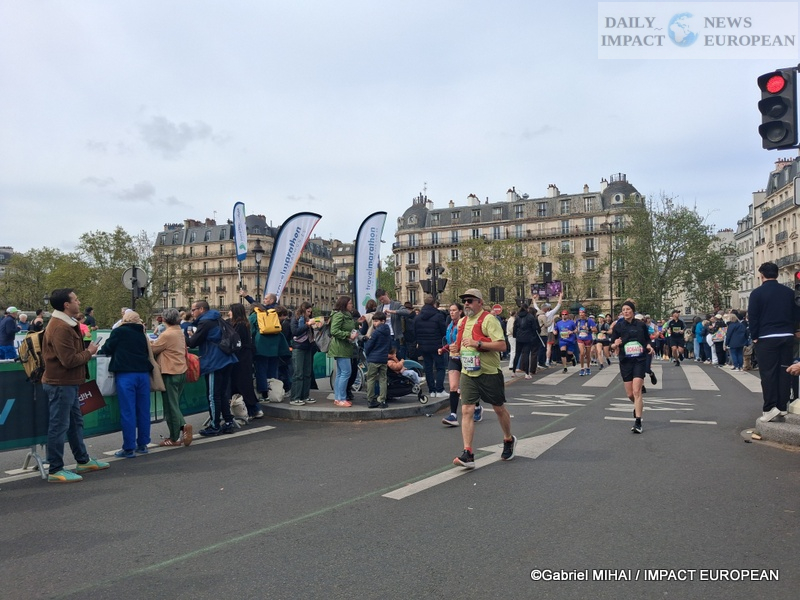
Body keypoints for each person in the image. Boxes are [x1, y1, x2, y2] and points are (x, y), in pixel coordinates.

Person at [41, 288, 109, 483]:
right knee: (59, 425)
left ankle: (83, 460)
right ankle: (55, 469)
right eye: (75, 300)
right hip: (61, 383)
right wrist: (90, 352)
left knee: (74, 422)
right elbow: (69, 360)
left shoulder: (65, 324)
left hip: (67, 382)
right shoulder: (61, 327)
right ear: (66, 305)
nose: (79, 302)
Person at [452, 289, 516, 469]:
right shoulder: (462, 321)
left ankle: (508, 439)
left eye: (470, 300)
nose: (466, 303)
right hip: (468, 372)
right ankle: (468, 453)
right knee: (467, 410)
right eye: (464, 301)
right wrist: (454, 349)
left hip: (489, 372)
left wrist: (477, 343)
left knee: (498, 408)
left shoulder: (489, 319)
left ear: (480, 302)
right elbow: (461, 345)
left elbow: (502, 345)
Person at [749, 262, 800, 422]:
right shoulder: (789, 292)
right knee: (785, 371)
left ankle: (770, 407)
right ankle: (782, 405)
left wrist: (755, 336)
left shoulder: (757, 293)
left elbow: (753, 317)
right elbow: (796, 313)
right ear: (777, 274)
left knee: (768, 373)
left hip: (766, 337)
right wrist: (794, 330)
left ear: (761, 275)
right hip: (786, 335)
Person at [99, 310, 153, 457]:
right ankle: (143, 444)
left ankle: (129, 447)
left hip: (126, 374)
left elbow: (107, 348)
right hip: (143, 374)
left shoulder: (119, 332)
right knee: (143, 410)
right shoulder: (142, 333)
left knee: (128, 411)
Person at [188, 300, 239, 435]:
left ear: (201, 309)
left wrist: (183, 337)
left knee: (213, 395)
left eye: (193, 310)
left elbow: (193, 343)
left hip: (214, 361)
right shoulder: (216, 318)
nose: (192, 312)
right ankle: (228, 422)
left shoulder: (205, 322)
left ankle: (215, 425)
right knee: (222, 393)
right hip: (227, 358)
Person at [610, 300, 655, 434]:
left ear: (633, 311)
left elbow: (647, 339)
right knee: (630, 394)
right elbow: (612, 344)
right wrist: (615, 344)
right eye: (623, 310)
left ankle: (638, 422)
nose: (626, 312)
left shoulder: (641, 325)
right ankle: (637, 405)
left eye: (628, 309)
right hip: (625, 361)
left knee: (637, 391)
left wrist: (648, 346)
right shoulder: (618, 326)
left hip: (639, 360)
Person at [150, 307, 192, 446]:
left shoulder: (167, 334)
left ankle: (176, 435)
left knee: (170, 406)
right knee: (175, 404)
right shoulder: (179, 331)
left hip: (169, 372)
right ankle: (180, 430)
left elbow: (154, 349)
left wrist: (147, 341)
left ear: (164, 319)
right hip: (181, 370)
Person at [229, 303, 263, 417]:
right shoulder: (244, 324)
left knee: (242, 384)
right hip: (244, 357)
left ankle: (253, 409)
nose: (229, 313)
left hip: (241, 358)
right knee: (244, 384)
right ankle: (253, 409)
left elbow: (236, 341)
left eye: (231, 311)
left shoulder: (240, 325)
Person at [413, 294, 447, 398]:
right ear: (434, 304)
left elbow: (415, 332)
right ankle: (440, 389)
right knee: (440, 367)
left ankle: (432, 390)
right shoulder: (438, 315)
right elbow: (443, 331)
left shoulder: (418, 317)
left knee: (428, 368)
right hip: (437, 345)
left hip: (424, 346)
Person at [328, 295, 358, 407]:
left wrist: (357, 323)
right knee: (346, 372)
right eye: (350, 303)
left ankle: (338, 397)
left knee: (341, 373)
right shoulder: (339, 315)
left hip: (343, 347)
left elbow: (346, 327)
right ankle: (341, 398)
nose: (351, 305)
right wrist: (348, 335)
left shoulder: (345, 315)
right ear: (345, 304)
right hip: (341, 347)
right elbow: (334, 331)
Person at [289, 302, 317, 406]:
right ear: (303, 310)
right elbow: (295, 331)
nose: (309, 313)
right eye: (308, 311)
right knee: (298, 373)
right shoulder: (296, 318)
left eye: (310, 312)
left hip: (308, 347)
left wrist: (316, 326)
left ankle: (305, 396)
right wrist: (307, 325)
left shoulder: (308, 319)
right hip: (299, 347)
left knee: (307, 373)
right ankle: (295, 397)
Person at [364, 311, 391, 408]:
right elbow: (389, 345)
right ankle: (382, 400)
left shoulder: (376, 333)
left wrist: (367, 353)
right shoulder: (388, 332)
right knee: (383, 379)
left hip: (373, 359)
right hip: (383, 359)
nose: (374, 323)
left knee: (371, 379)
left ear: (382, 321)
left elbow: (368, 346)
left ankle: (370, 399)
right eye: (374, 321)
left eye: (376, 321)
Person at [375, 288, 411, 358]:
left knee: (395, 356)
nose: (382, 301)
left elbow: (407, 312)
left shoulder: (396, 304)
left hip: (393, 335)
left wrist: (392, 311)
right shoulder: (379, 308)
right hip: (382, 335)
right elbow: (375, 320)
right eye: (380, 300)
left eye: (382, 299)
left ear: (386, 294)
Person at [531, 293, 562, 367]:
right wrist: (560, 296)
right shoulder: (550, 313)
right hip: (549, 332)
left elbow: (535, 306)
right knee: (548, 348)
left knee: (541, 347)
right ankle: (546, 361)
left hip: (539, 332)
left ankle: (540, 361)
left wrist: (533, 298)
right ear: (547, 309)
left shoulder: (538, 312)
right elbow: (558, 305)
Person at [512, 302, 539, 379]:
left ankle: (513, 371)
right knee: (526, 354)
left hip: (519, 337)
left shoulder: (517, 316)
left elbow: (515, 327)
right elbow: (534, 328)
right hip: (528, 337)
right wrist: (533, 336)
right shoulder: (530, 317)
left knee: (517, 354)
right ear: (527, 309)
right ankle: (527, 373)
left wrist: (515, 335)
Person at [554, 309, 578, 373]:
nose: (564, 316)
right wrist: (554, 332)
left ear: (568, 315)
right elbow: (555, 329)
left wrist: (572, 332)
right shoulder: (558, 323)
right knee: (563, 353)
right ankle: (565, 367)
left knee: (569, 353)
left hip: (570, 340)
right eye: (563, 314)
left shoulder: (571, 322)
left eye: (565, 314)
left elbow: (576, 330)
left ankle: (572, 357)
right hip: (562, 340)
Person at [574, 307, 596, 376]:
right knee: (582, 353)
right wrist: (575, 331)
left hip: (588, 338)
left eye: (582, 312)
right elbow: (576, 329)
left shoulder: (590, 321)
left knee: (587, 354)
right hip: (580, 338)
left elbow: (595, 330)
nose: (581, 314)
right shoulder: (578, 321)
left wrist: (588, 328)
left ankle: (588, 367)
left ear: (585, 313)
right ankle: (582, 368)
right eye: (580, 313)